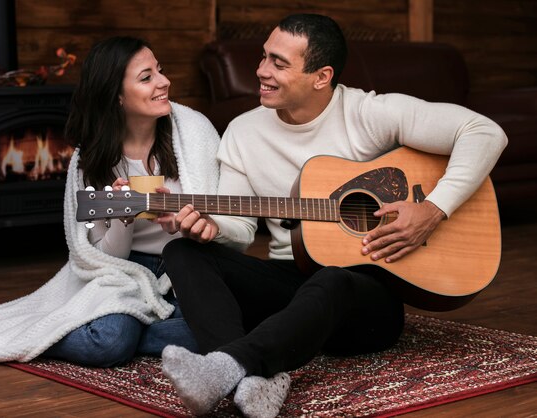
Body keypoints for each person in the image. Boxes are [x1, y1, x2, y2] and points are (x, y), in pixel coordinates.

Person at [159, 14, 508, 418]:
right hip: (289, 286)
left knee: (333, 276)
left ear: (321, 76)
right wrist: (213, 228)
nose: (261, 71)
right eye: (263, 57)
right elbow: (239, 233)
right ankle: (251, 380)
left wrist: (433, 209)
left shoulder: (369, 112)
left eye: (278, 62)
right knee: (183, 252)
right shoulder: (243, 131)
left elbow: (484, 133)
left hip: (365, 301)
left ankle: (227, 366)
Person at [0, 36, 221, 367]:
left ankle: (130, 330)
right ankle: (62, 335)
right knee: (110, 345)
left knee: (218, 328)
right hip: (127, 269)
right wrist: (121, 218)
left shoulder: (194, 132)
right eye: (147, 77)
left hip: (188, 261)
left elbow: (217, 221)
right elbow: (102, 256)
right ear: (116, 95)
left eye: (160, 70)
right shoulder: (94, 160)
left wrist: (185, 225)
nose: (164, 82)